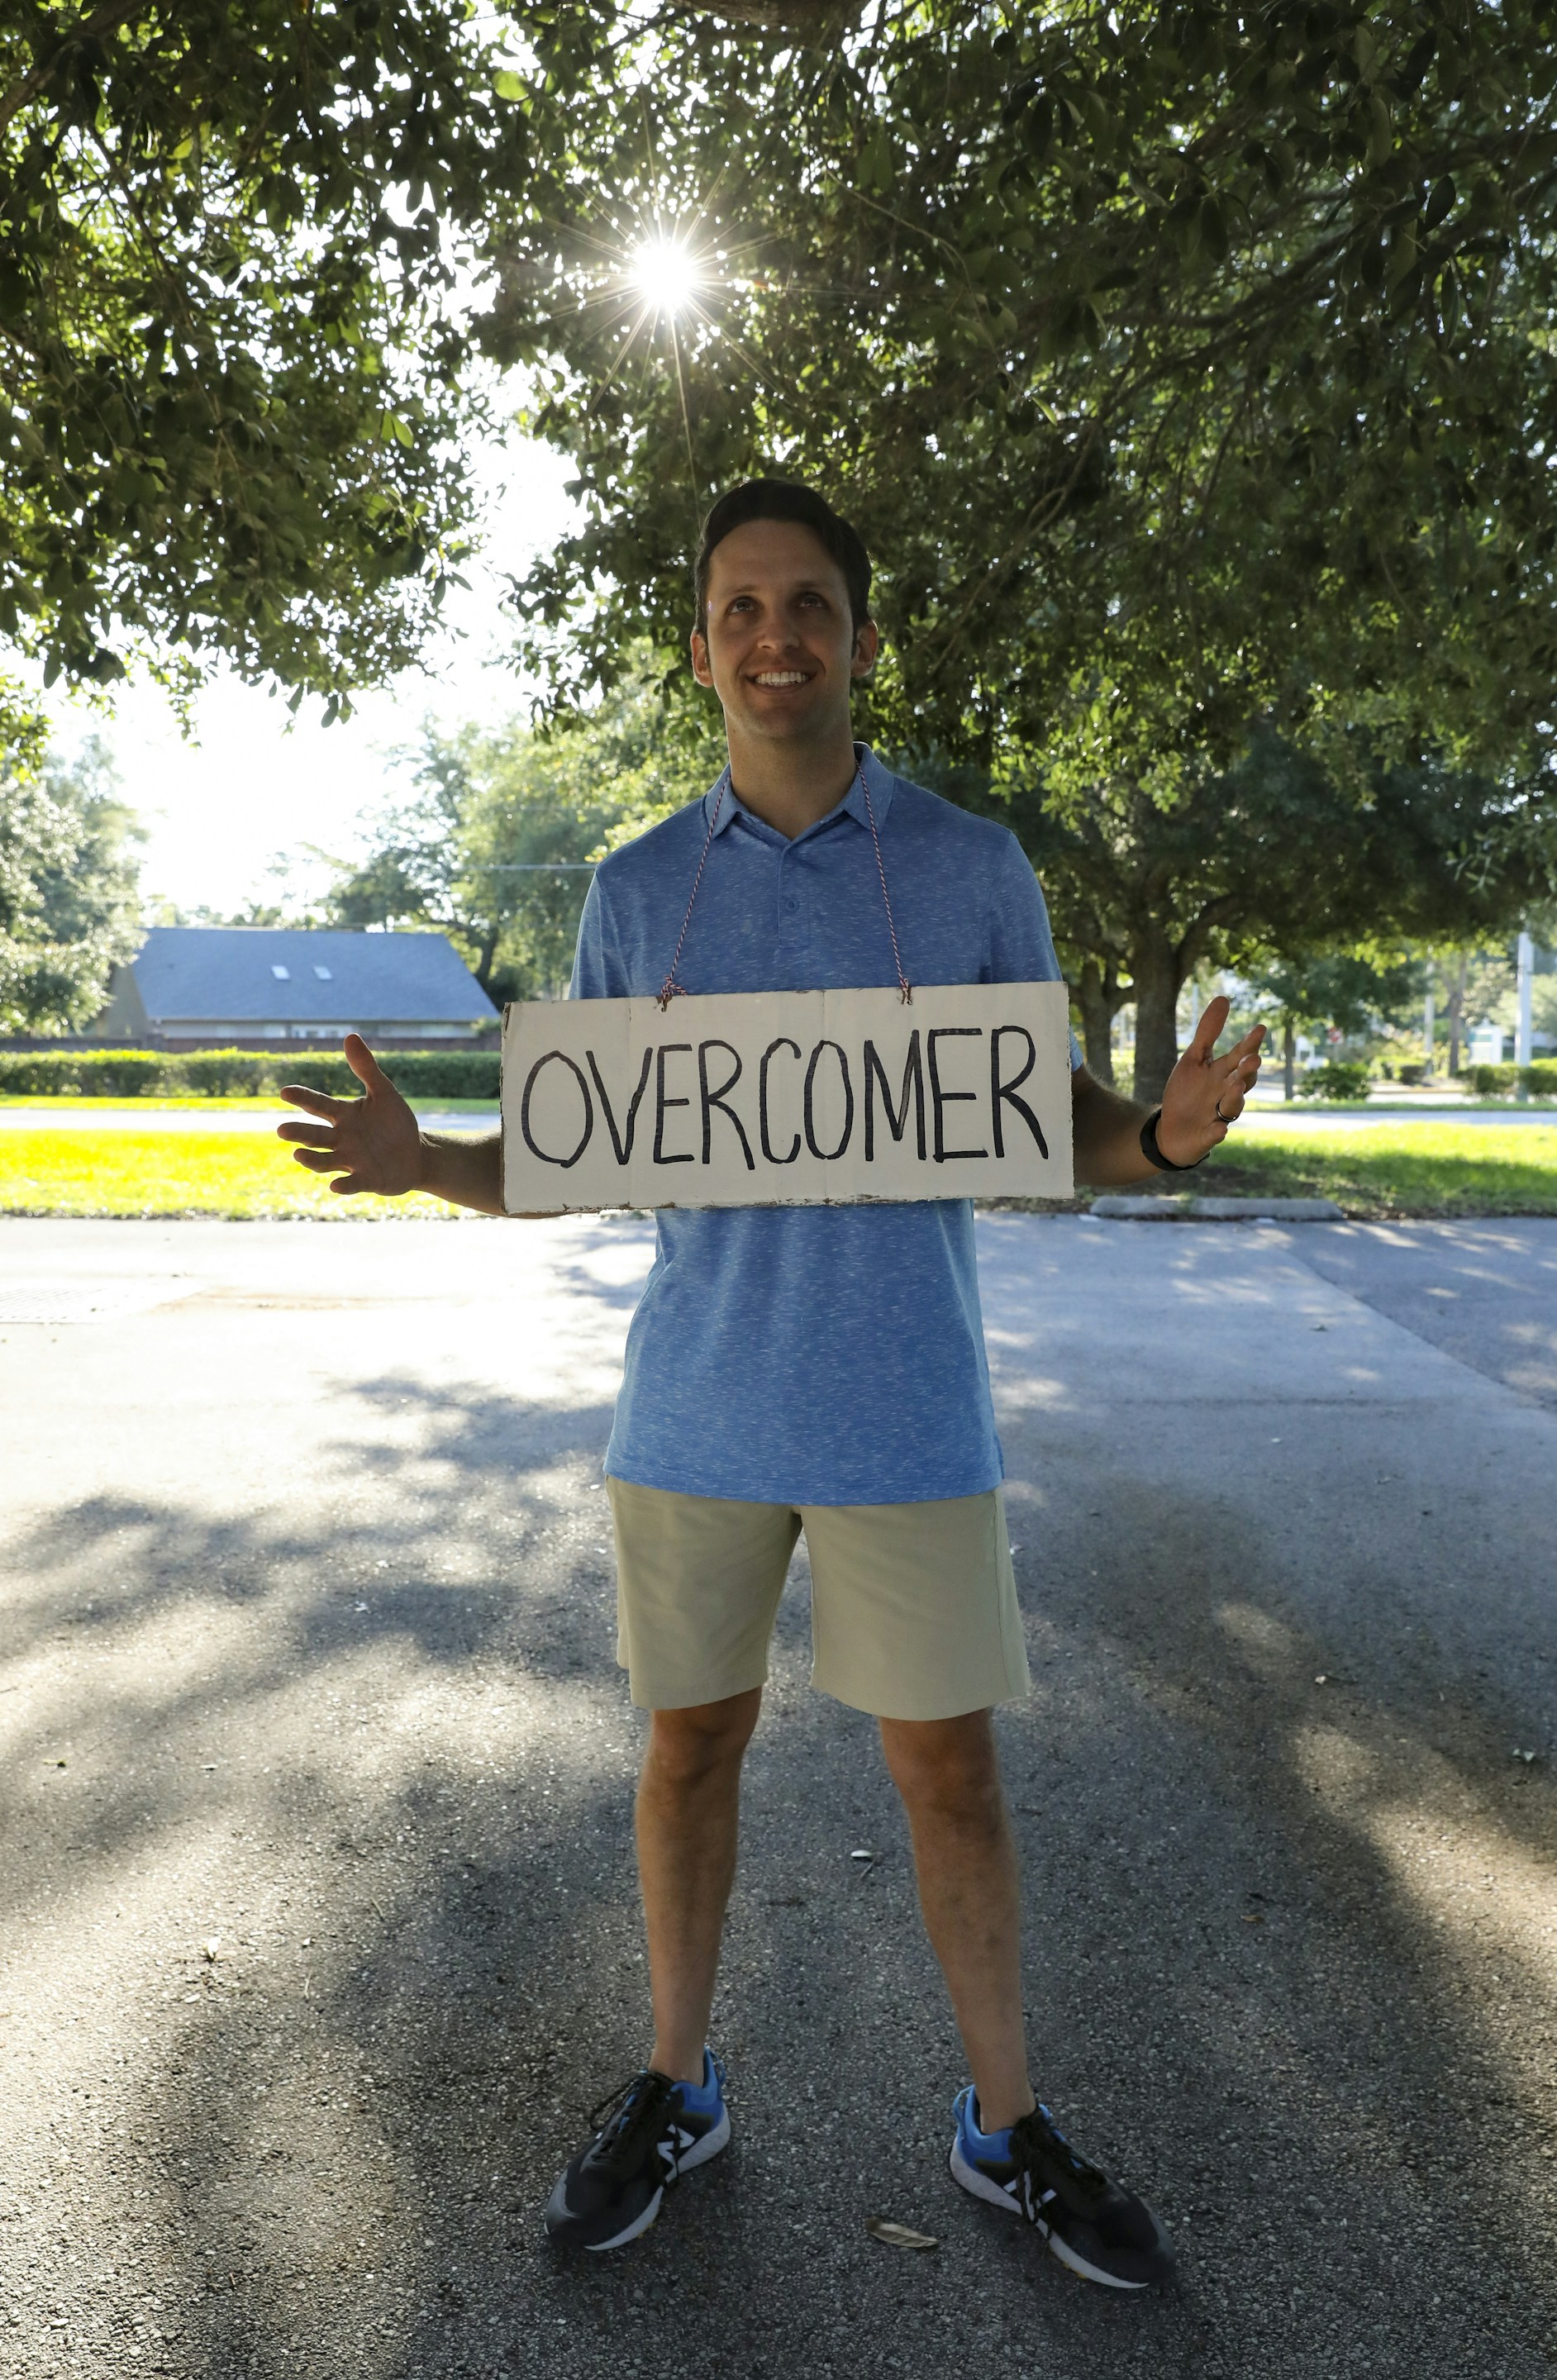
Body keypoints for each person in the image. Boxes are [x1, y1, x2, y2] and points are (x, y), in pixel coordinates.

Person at [278, 478, 1264, 2287]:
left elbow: (1051, 1124)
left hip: (908, 1408)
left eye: (806, 603)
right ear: (702, 645)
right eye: (738, 606)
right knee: (687, 1753)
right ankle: (677, 2085)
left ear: (862, 640)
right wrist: (434, 1159)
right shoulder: (638, 891)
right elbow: (569, 1151)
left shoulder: (972, 867)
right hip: (701, 1410)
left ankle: (1007, 2128)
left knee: (951, 1774)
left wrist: (1167, 1141)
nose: (773, 635)